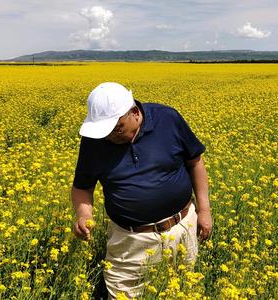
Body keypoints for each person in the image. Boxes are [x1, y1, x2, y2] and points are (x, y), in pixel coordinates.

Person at [71, 82, 213, 299]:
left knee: (183, 291)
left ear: (135, 113)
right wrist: (84, 214)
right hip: (129, 241)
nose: (109, 135)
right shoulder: (94, 140)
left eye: (116, 128)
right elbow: (83, 186)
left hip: (182, 227)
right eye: (105, 130)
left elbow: (195, 162)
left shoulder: (168, 119)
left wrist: (204, 210)